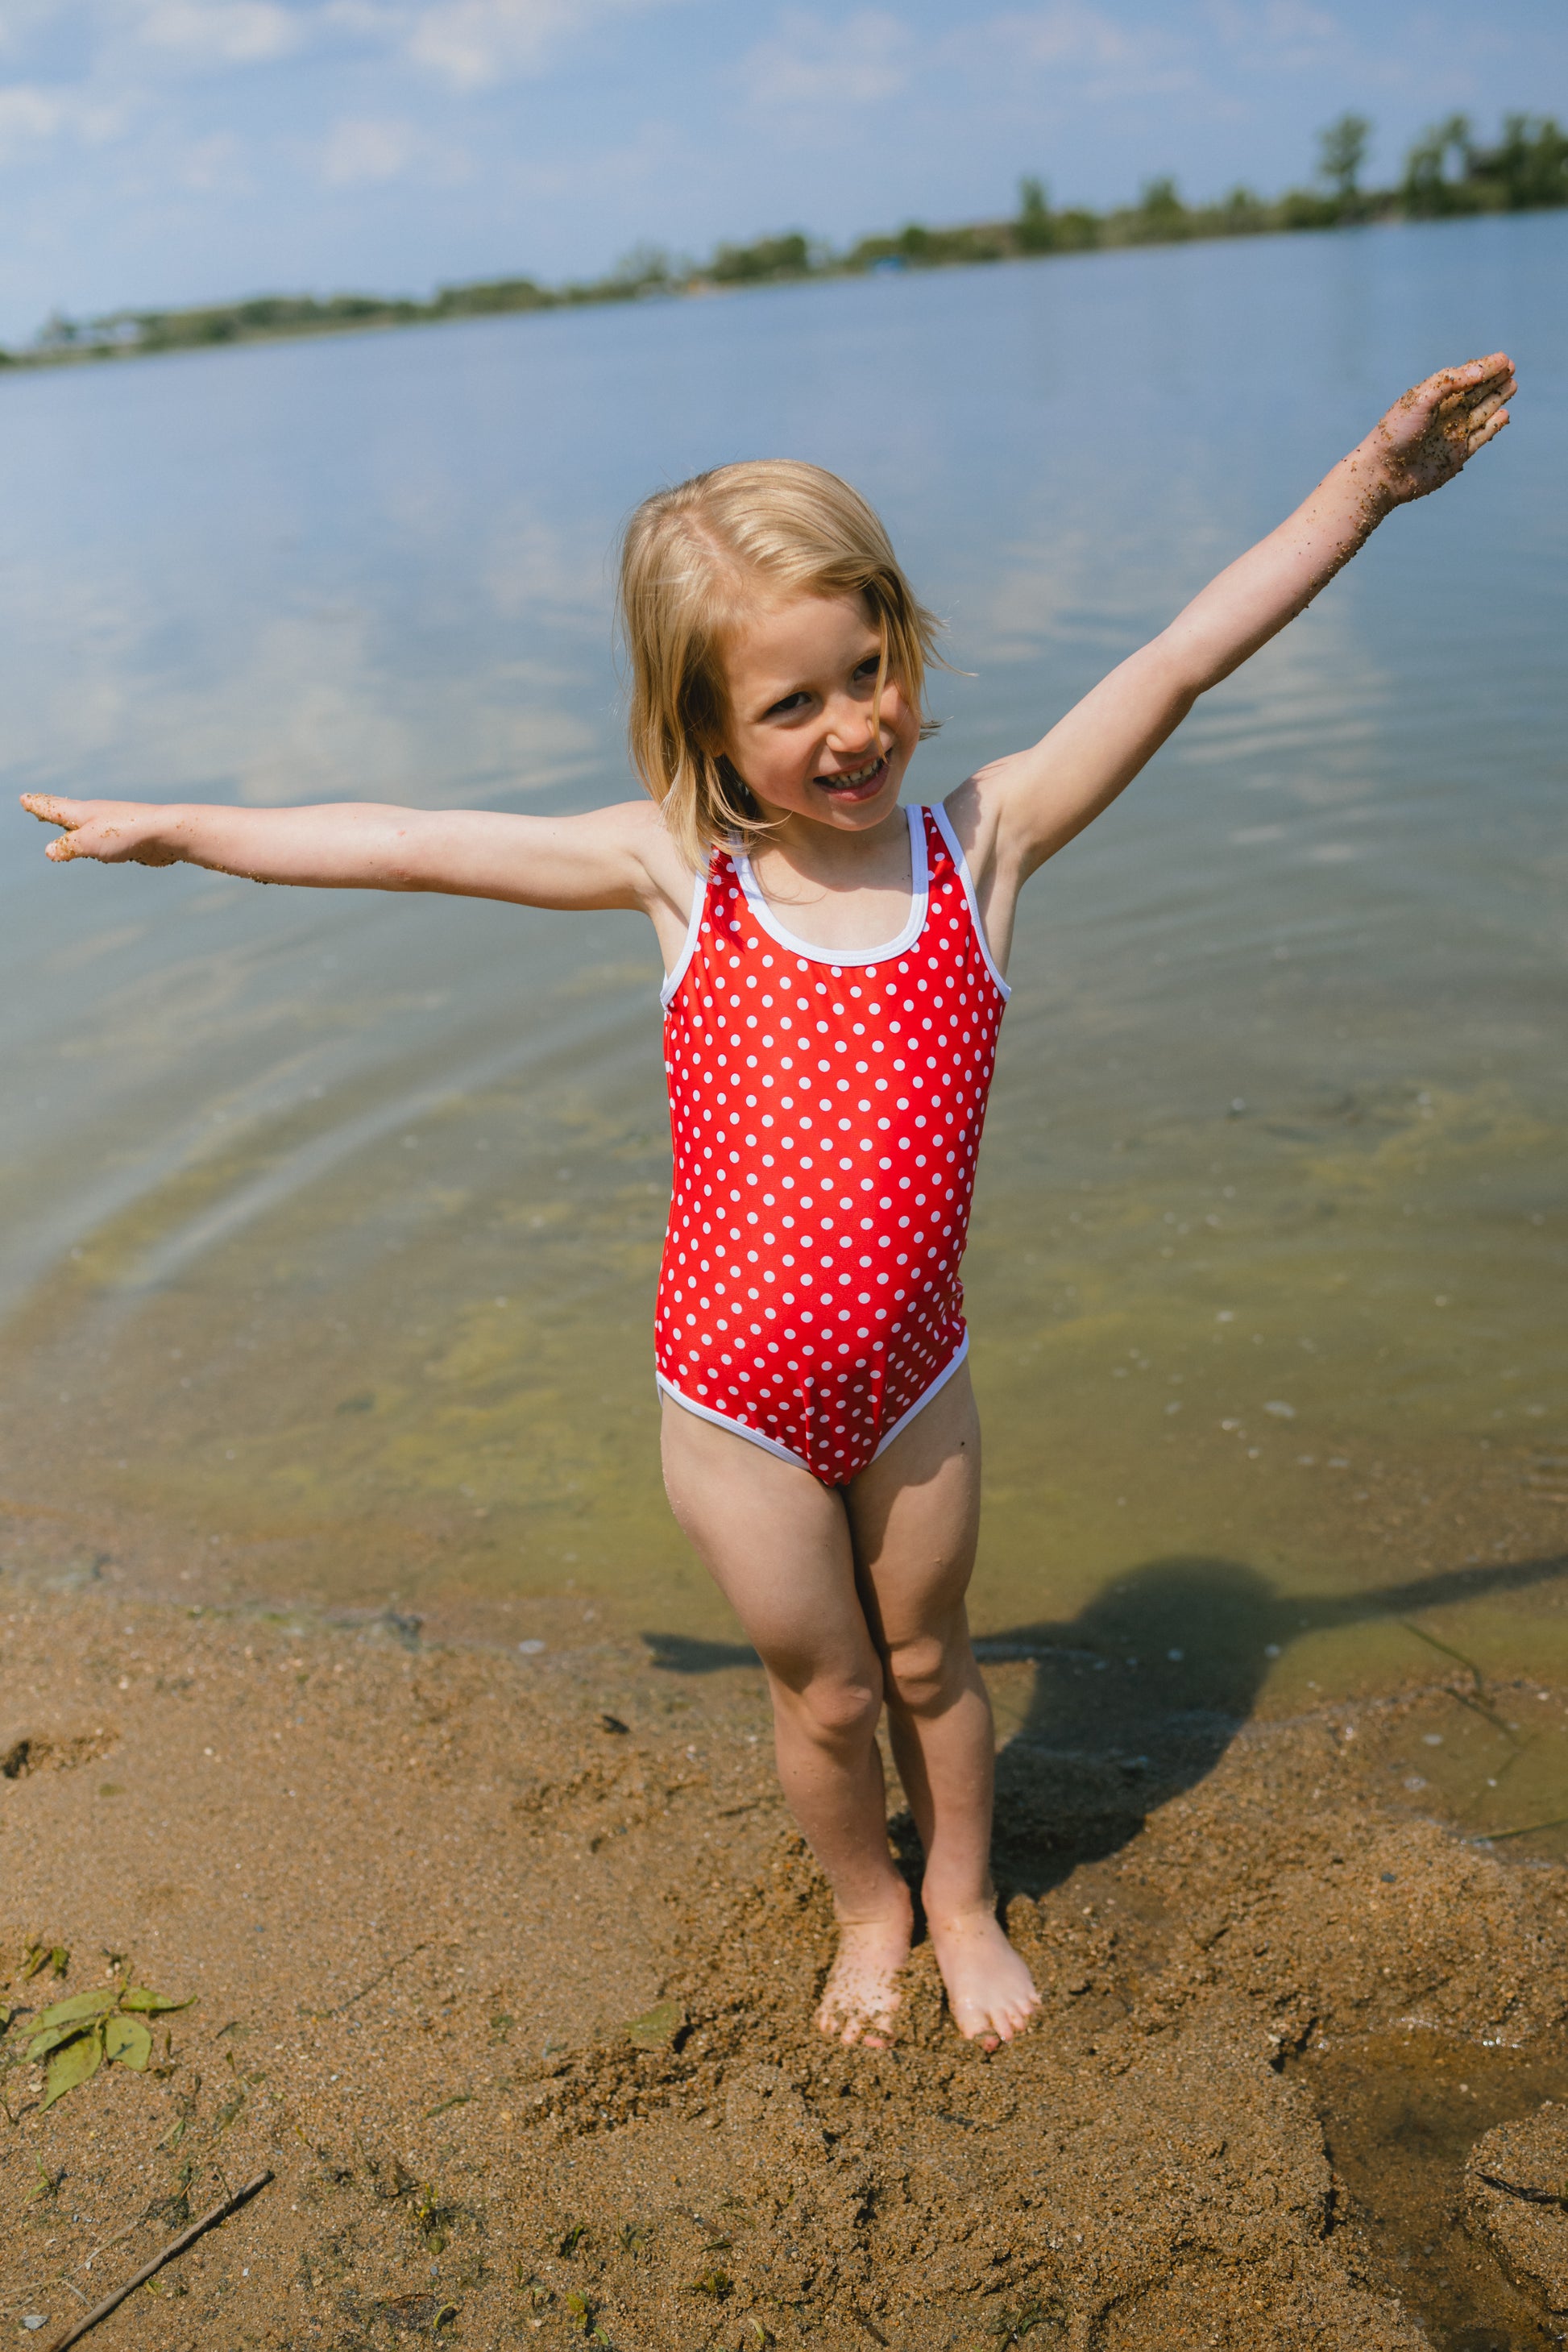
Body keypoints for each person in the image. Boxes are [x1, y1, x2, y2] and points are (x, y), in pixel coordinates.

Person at [22, 351, 1514, 2053]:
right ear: (708, 730)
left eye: (866, 671)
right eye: (791, 704)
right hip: (729, 1405)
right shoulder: (680, 875)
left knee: (938, 1663)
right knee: (823, 1689)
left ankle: (958, 1895)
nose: (850, 727)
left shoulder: (986, 847)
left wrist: (1365, 489)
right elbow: (409, 835)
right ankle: (865, 1904)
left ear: (899, 639)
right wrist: (188, 827)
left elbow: (1177, 658)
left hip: (916, 1379)